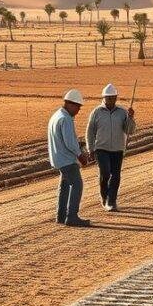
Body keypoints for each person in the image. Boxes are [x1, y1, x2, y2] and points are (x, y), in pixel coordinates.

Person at [85, 82, 136, 211]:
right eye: (108, 97)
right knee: (105, 172)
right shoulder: (96, 112)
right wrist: (90, 149)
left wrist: (131, 118)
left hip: (118, 149)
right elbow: (90, 132)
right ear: (103, 98)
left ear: (116, 97)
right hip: (101, 149)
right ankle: (104, 196)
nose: (111, 100)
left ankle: (111, 201)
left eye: (113, 97)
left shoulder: (122, 112)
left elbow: (130, 130)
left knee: (116, 175)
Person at [48, 89, 90, 226]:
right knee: (77, 184)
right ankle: (72, 216)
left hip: (57, 158)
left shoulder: (56, 116)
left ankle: (60, 216)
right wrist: (80, 155)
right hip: (67, 160)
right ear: (70, 104)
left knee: (65, 186)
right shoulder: (65, 119)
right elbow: (69, 142)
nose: (78, 110)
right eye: (77, 107)